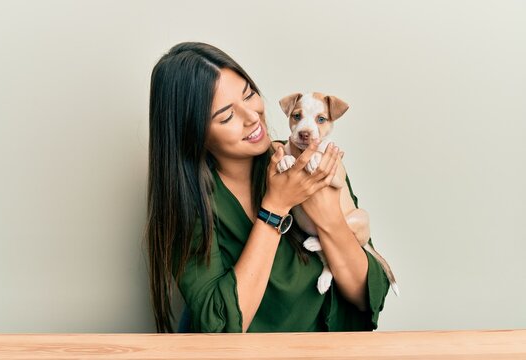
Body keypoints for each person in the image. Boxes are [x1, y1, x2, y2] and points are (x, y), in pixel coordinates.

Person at [145, 42, 390, 333]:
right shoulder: (194, 204)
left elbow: (368, 294)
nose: (252, 116)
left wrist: (328, 218)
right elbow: (220, 327)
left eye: (249, 94)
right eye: (227, 116)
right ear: (193, 132)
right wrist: (274, 208)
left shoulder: (305, 161)